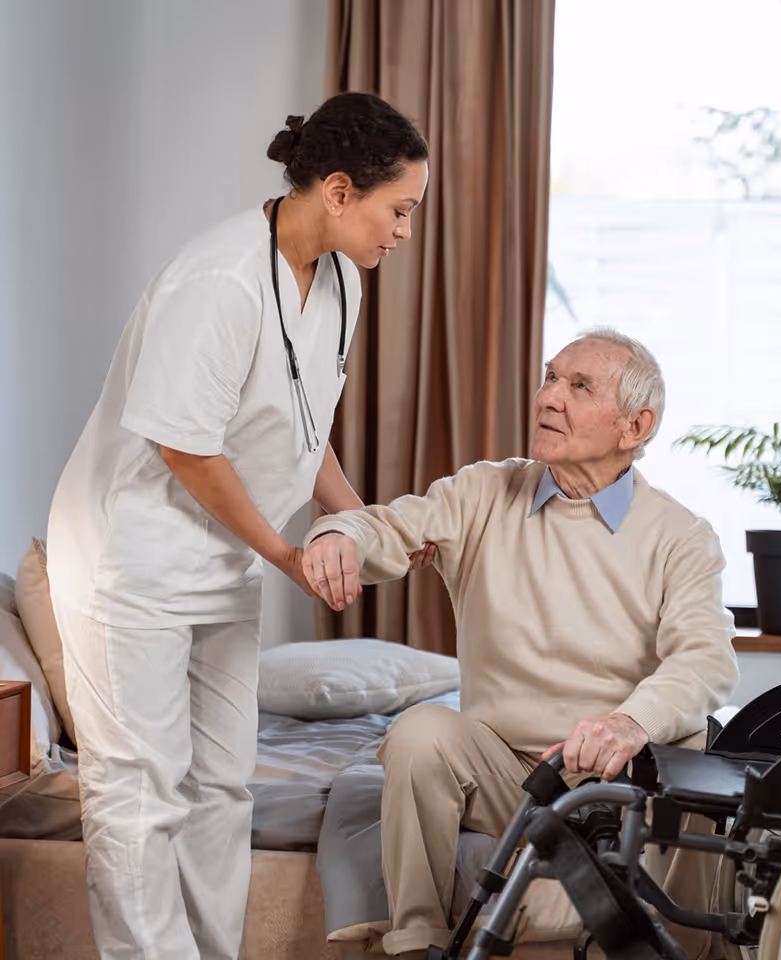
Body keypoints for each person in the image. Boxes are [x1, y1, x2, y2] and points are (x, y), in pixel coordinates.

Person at [45, 92, 430, 960]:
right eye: (397, 209)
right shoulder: (218, 279)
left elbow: (305, 425)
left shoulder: (340, 281)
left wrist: (365, 523)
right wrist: (289, 554)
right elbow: (187, 449)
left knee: (223, 782)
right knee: (138, 785)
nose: (404, 231)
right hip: (131, 556)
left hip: (227, 555)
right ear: (338, 190)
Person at [302, 328, 739, 959]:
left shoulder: (680, 536)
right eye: (550, 377)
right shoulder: (484, 492)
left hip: (618, 776)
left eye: (579, 386)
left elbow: (705, 659)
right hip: (504, 770)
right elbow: (391, 527)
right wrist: (338, 533)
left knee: (698, 740)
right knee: (420, 731)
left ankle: (689, 952)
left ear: (634, 426)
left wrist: (628, 722)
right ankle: (417, 942)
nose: (548, 398)